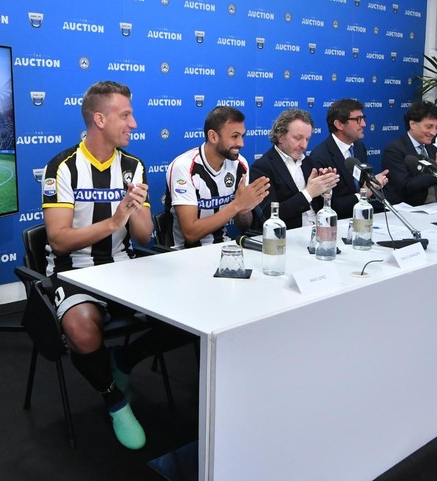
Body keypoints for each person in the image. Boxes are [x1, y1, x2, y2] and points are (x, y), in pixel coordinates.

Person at [41, 80, 163, 450]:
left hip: (123, 266)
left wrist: (136, 207)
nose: (134, 123)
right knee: (81, 330)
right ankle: (114, 400)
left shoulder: (134, 166)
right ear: (99, 119)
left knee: (189, 314)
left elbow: (144, 236)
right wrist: (112, 223)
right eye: (125, 115)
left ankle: (124, 358)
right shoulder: (62, 167)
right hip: (74, 272)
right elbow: (58, 239)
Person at [165, 106, 270, 248]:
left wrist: (244, 209)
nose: (241, 143)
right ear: (213, 136)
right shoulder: (183, 166)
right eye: (234, 136)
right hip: (183, 253)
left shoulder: (240, 164)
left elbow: (244, 226)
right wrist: (237, 205)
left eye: (242, 136)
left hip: (223, 247)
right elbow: (190, 234)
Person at [249, 109, 340, 229]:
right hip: (288, 236)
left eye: (307, 139)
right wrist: (309, 193)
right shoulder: (262, 167)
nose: (304, 145)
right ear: (280, 136)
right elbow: (268, 216)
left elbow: (329, 207)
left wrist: (325, 190)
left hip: (320, 230)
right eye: (298, 138)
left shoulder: (310, 162)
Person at [309, 98, 387, 217]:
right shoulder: (320, 157)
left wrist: (373, 183)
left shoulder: (359, 148)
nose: (364, 124)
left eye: (363, 118)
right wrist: (365, 193)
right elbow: (331, 205)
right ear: (339, 124)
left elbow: (362, 185)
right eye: (358, 120)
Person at [382, 101, 437, 206]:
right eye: (429, 127)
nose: (433, 133)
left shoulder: (433, 149)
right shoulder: (394, 150)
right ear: (412, 124)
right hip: (409, 211)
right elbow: (406, 187)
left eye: (436, 128)